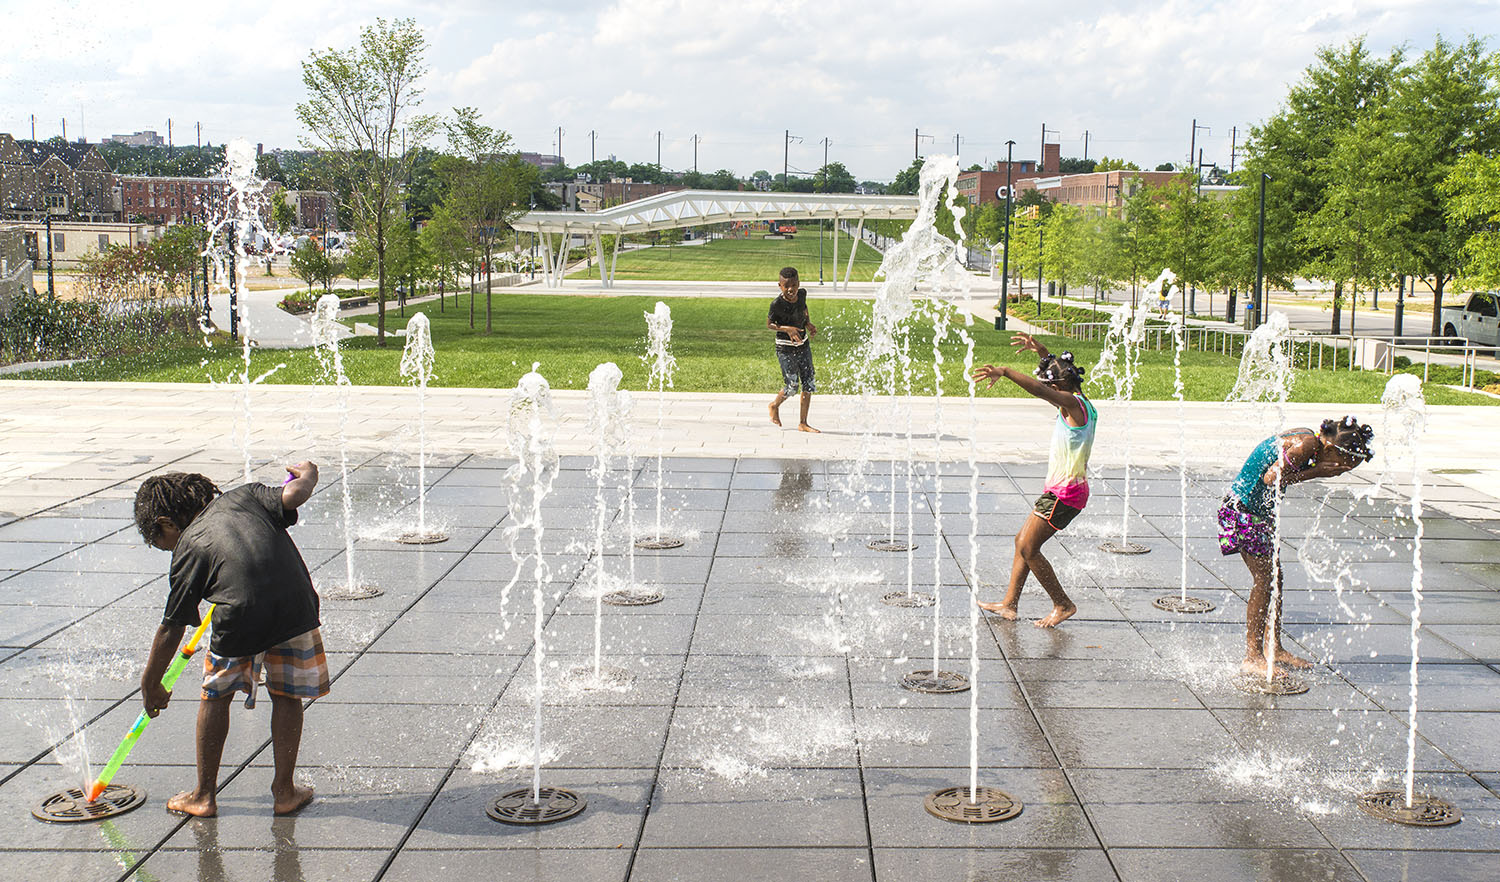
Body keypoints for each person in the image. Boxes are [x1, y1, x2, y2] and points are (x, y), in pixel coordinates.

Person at [133, 463, 327, 817]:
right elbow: (295, 493)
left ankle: (204, 795)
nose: (162, 548)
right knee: (287, 695)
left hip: (240, 617)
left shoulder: (189, 546)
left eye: (157, 541)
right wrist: (309, 473)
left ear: (166, 523)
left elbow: (172, 626)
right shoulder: (248, 495)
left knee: (216, 696)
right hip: (296, 607)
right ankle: (284, 792)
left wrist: (150, 682)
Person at [1219, 417, 1375, 675]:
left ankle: (1274, 648)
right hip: (1242, 511)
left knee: (1275, 579)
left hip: (1257, 512)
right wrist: (1319, 472)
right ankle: (1252, 657)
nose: (1340, 471)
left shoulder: (1310, 439)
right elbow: (1271, 478)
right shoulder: (1307, 445)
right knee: (1265, 579)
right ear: (1333, 450)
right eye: (1344, 467)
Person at [971, 333, 1096, 628]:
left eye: (1054, 385)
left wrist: (1005, 371)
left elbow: (1040, 389)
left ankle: (1062, 604)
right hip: (1062, 491)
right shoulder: (1079, 400)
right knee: (1021, 542)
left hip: (1065, 495)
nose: (1051, 389)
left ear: (1061, 387)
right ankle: (1009, 605)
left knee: (1029, 548)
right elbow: (1055, 372)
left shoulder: (1071, 405)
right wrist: (1041, 351)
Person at [767, 266, 819, 433]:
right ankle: (774, 405)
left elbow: (803, 308)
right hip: (785, 349)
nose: (791, 289)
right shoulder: (776, 304)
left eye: (794, 285)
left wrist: (808, 323)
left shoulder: (802, 294)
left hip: (803, 345)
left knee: (808, 383)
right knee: (792, 386)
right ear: (780, 286)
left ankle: (803, 423)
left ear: (799, 283)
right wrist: (788, 329)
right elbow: (770, 325)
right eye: (786, 286)